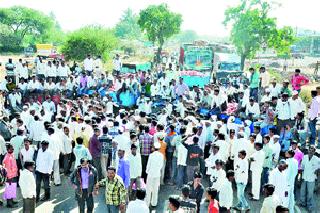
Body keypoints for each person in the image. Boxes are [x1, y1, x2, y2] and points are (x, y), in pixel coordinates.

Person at [299, 146, 320, 212]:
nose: (310, 152)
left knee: (310, 193)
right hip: (304, 177)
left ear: (314, 152)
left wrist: (317, 171)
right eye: (310, 150)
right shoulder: (304, 157)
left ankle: (309, 206)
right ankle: (303, 203)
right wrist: (300, 177)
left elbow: (319, 168)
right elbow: (302, 167)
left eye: (312, 151)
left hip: (312, 179)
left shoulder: (317, 159)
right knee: (302, 191)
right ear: (308, 150)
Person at [145, 142, 164, 207]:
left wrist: (147, 171)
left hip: (150, 174)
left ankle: (147, 203)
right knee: (155, 189)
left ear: (154, 148)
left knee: (148, 189)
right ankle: (154, 203)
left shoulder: (151, 155)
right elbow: (161, 165)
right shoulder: (161, 155)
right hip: (157, 174)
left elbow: (148, 165)